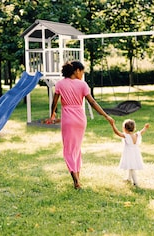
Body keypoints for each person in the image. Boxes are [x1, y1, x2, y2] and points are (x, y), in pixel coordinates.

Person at [49, 61, 114, 189]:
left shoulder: (60, 84)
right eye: (82, 72)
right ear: (77, 70)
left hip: (68, 120)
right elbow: (92, 102)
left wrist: (52, 114)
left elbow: (54, 102)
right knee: (76, 149)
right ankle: (78, 178)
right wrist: (106, 115)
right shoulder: (83, 85)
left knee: (68, 150)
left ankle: (76, 181)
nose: (82, 74)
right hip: (80, 120)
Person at [109, 119, 150, 186]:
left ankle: (136, 182)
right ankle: (128, 178)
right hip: (135, 154)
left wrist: (112, 125)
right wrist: (145, 127)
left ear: (124, 128)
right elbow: (142, 131)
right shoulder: (137, 135)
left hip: (129, 154)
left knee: (132, 168)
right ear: (134, 128)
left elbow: (117, 132)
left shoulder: (126, 136)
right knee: (131, 166)